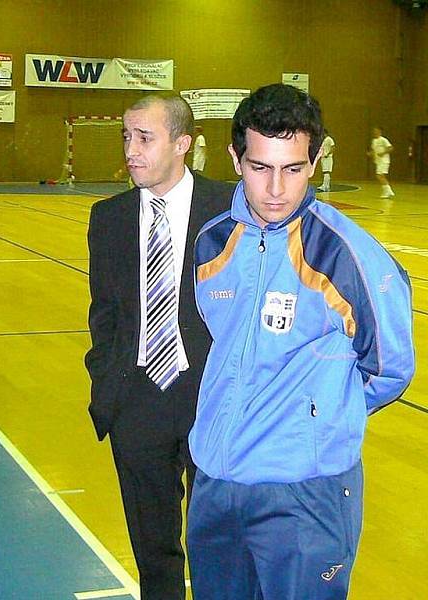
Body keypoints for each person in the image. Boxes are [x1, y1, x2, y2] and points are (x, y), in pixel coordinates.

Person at [187, 83, 415, 600]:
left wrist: (313, 419)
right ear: (234, 158)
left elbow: (390, 369)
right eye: (259, 167)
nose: (274, 188)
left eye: (293, 168)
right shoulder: (213, 241)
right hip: (215, 484)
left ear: (314, 161)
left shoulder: (345, 254)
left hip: (305, 494)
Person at [84, 95, 233, 599]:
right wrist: (108, 380)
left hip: (211, 397)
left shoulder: (229, 209)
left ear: (183, 143)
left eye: (145, 138)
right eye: (127, 137)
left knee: (217, 538)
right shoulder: (108, 217)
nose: (131, 150)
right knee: (154, 550)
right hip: (138, 399)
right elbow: (103, 312)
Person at [368, 126, 394, 198]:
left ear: (380, 131)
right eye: (374, 130)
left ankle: (388, 191)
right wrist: (371, 154)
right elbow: (373, 151)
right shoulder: (374, 141)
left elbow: (390, 148)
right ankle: (387, 191)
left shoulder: (383, 140)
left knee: (380, 175)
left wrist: (383, 152)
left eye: (376, 130)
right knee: (380, 176)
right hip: (378, 161)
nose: (374, 132)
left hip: (384, 160)